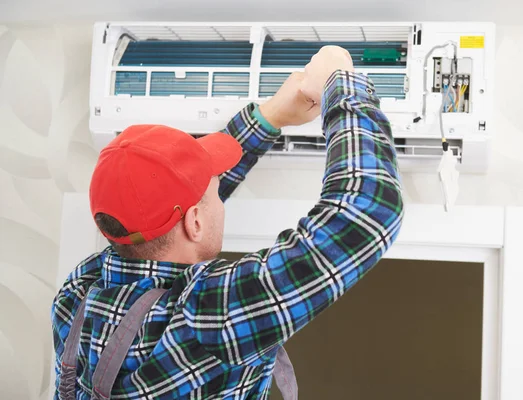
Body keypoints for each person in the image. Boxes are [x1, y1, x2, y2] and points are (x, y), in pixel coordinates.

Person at [52, 45, 404, 399]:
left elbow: (173, 198)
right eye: (216, 194)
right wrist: (339, 81)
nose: (220, 199)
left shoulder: (76, 297)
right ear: (195, 223)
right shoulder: (207, 318)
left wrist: (270, 117)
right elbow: (366, 213)